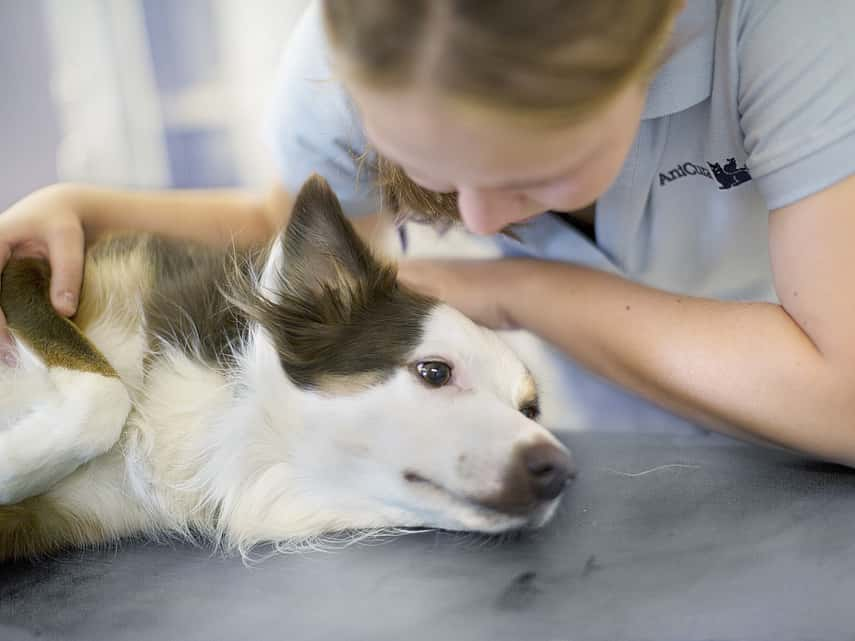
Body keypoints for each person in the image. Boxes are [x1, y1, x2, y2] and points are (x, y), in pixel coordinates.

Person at [2, 0, 855, 463]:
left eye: (536, 173)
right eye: (432, 170)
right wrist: (85, 206)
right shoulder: (348, 54)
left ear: (656, 48)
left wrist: (521, 289)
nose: (481, 220)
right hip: (611, 449)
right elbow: (284, 225)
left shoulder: (796, 28)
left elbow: (840, 398)